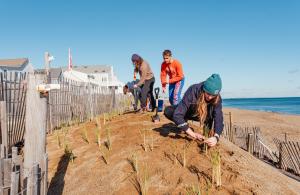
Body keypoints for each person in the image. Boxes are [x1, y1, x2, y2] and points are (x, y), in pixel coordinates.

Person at [164, 74, 223, 147]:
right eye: (208, 94)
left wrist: (216, 137)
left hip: (203, 116)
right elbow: (177, 115)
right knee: (168, 111)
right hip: (189, 112)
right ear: (204, 89)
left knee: (212, 114)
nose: (210, 97)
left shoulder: (217, 98)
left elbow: (219, 118)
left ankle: (207, 134)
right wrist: (193, 134)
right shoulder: (193, 90)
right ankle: (184, 122)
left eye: (213, 95)